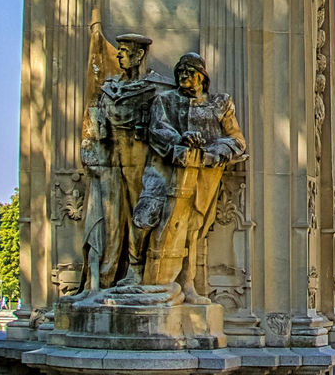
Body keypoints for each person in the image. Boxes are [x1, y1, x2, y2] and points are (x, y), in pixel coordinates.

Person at [142, 53, 248, 301]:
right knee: (156, 223)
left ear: (202, 76)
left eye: (189, 72)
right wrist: (181, 139)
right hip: (169, 173)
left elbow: (237, 139)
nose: (183, 76)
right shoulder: (166, 101)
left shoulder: (220, 103)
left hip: (206, 174)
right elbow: (158, 128)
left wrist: (216, 152)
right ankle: (150, 280)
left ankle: (187, 284)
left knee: (195, 229)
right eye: (180, 72)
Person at [80, 32, 169, 291]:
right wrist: (91, 153)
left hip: (143, 159)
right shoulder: (109, 88)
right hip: (112, 161)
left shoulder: (156, 88)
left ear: (139, 54)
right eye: (117, 50)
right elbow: (94, 127)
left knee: (139, 214)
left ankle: (136, 269)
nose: (118, 55)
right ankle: (104, 277)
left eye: (123, 50)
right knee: (111, 217)